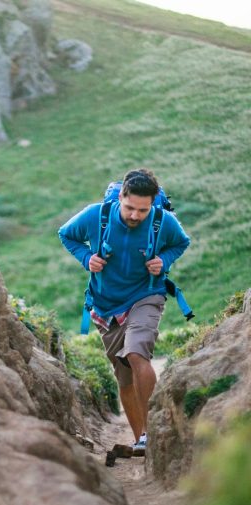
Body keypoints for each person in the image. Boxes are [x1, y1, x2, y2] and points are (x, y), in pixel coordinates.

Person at [58, 168, 190, 454]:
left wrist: (163, 261)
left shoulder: (161, 220)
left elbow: (181, 242)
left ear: (152, 204)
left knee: (136, 352)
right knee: (124, 377)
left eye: (142, 210)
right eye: (130, 208)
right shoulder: (97, 215)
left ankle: (158, 430)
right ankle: (142, 436)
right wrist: (86, 258)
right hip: (106, 305)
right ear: (121, 197)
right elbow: (66, 234)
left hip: (146, 295)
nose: (135, 216)